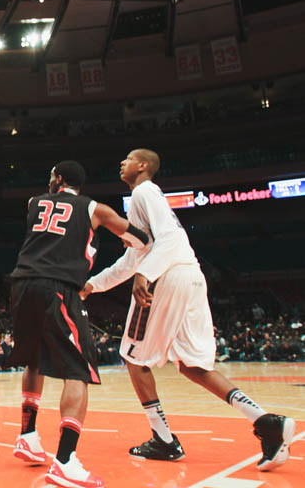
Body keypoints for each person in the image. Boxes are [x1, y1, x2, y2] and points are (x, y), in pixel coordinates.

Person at [83, 149, 295, 471]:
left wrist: (146, 274)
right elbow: (132, 260)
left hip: (168, 277)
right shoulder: (147, 203)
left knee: (133, 357)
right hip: (190, 277)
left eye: (127, 158)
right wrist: (92, 285)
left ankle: (164, 440)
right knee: (192, 366)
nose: (121, 163)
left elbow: (165, 241)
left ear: (143, 166)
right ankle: (267, 422)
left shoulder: (143, 191)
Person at [8, 161, 150, 488]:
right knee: (78, 372)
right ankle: (65, 460)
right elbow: (138, 239)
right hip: (57, 287)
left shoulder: (33, 203)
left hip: (21, 285)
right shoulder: (94, 208)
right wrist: (142, 237)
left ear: (58, 179)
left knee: (34, 359)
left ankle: (27, 436)